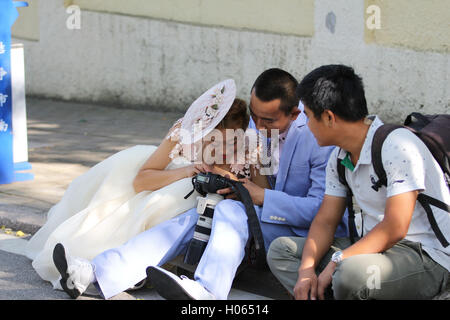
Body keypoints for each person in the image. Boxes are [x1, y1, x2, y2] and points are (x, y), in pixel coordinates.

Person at [25, 79, 258, 293]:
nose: (222, 151)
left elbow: (260, 197)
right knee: (180, 192)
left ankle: (112, 273)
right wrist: (187, 171)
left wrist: (236, 187)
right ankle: (93, 269)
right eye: (212, 142)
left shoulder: (253, 149)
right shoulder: (185, 133)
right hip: (166, 195)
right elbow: (142, 181)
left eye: (231, 143)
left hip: (213, 216)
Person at [146, 68, 348, 300]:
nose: (258, 127)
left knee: (226, 213)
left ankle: (208, 291)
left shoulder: (319, 138)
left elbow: (322, 213)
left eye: (268, 120)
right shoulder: (257, 125)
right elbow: (254, 168)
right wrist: (236, 184)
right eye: (255, 116)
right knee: (197, 217)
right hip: (260, 213)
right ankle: (109, 268)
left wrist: (261, 196)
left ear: (294, 114)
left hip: (302, 232)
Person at [266, 64, 450, 300]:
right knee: (283, 251)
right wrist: (306, 271)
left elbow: (395, 226)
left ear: (329, 117)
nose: (307, 126)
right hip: (373, 249)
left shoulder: (397, 146)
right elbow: (325, 221)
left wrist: (337, 261)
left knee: (349, 274)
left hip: (425, 256)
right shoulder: (339, 157)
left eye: (309, 117)